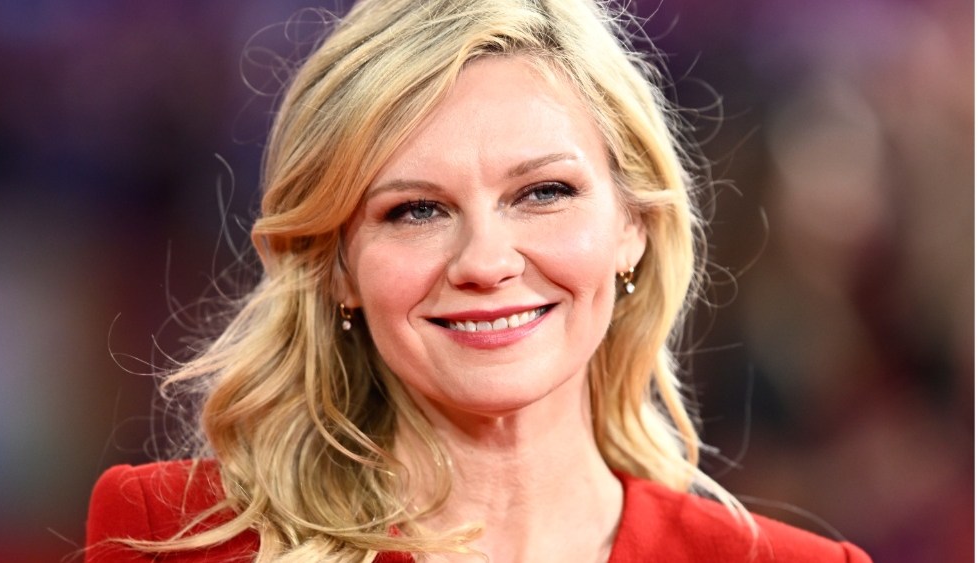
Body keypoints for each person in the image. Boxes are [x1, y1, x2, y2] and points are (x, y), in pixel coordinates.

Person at [85, 0, 872, 561]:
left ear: (633, 226)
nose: (486, 262)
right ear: (336, 265)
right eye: (416, 210)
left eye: (543, 192)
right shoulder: (174, 536)